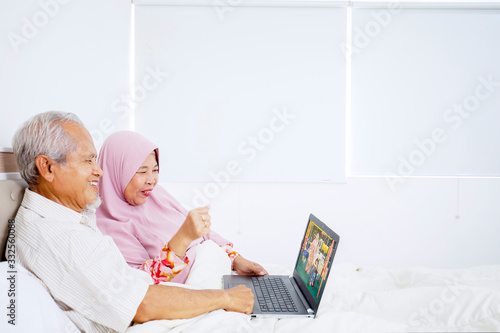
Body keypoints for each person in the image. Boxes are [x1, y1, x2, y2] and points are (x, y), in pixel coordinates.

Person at [12, 111, 254, 332]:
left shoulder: (70, 218)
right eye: (88, 161)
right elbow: (142, 303)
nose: (100, 171)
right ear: (47, 167)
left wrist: (233, 259)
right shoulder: (63, 238)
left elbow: (138, 287)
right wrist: (225, 298)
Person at [95, 130, 268, 284]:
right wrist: (183, 238)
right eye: (142, 171)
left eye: (155, 170)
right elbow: (144, 283)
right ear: (116, 172)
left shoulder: (155, 195)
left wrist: (235, 260)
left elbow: (203, 234)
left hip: (216, 272)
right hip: (190, 293)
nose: (151, 180)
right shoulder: (109, 225)